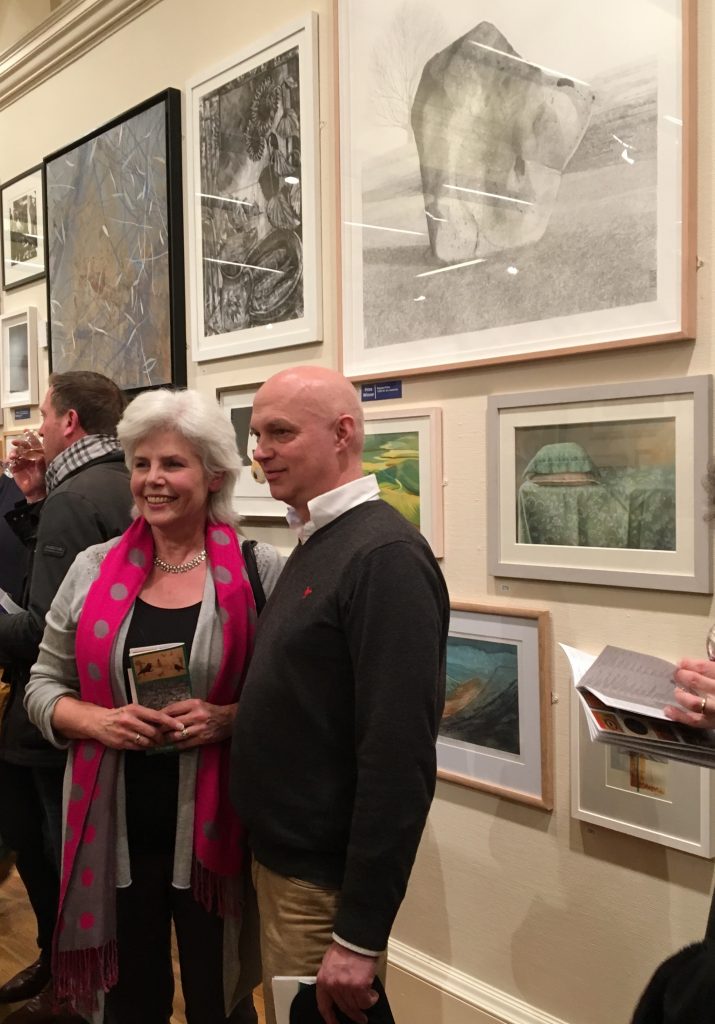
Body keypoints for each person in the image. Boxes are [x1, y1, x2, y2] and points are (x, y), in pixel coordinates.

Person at [25, 389, 283, 1024]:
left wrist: (229, 718)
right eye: (141, 464)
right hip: (115, 829)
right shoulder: (92, 568)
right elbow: (41, 687)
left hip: (215, 837)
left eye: (172, 464)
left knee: (217, 1000)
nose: (152, 481)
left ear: (213, 476)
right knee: (130, 1000)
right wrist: (100, 721)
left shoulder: (258, 571)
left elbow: (289, 704)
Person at [230, 366, 450, 1024]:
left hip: (319, 887)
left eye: (280, 432)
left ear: (343, 435)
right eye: (255, 434)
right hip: (281, 864)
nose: (259, 450)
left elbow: (397, 758)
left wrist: (357, 936)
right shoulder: (319, 538)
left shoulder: (382, 557)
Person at [0, 372, 132, 1024]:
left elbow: (39, 629)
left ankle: (71, 992)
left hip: (61, 721)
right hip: (89, 711)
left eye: (46, 416)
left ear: (71, 422)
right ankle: (62, 971)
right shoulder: (112, 483)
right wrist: (31, 497)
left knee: (58, 859)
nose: (39, 428)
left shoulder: (76, 498)